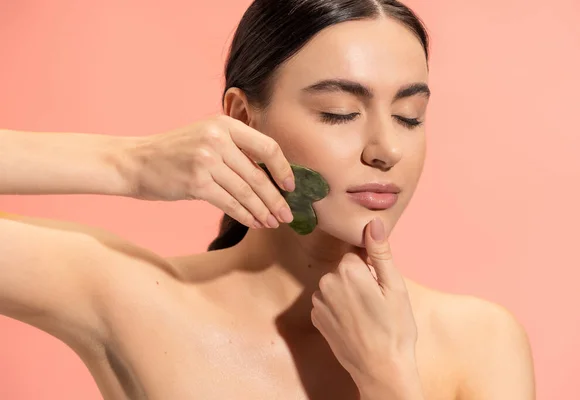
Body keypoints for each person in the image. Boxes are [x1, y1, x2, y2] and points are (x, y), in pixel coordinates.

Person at [0, 0, 536, 399]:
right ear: (241, 118)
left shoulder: (481, 341)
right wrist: (128, 164)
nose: (386, 149)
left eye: (409, 116)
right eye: (338, 112)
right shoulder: (133, 297)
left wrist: (389, 380)